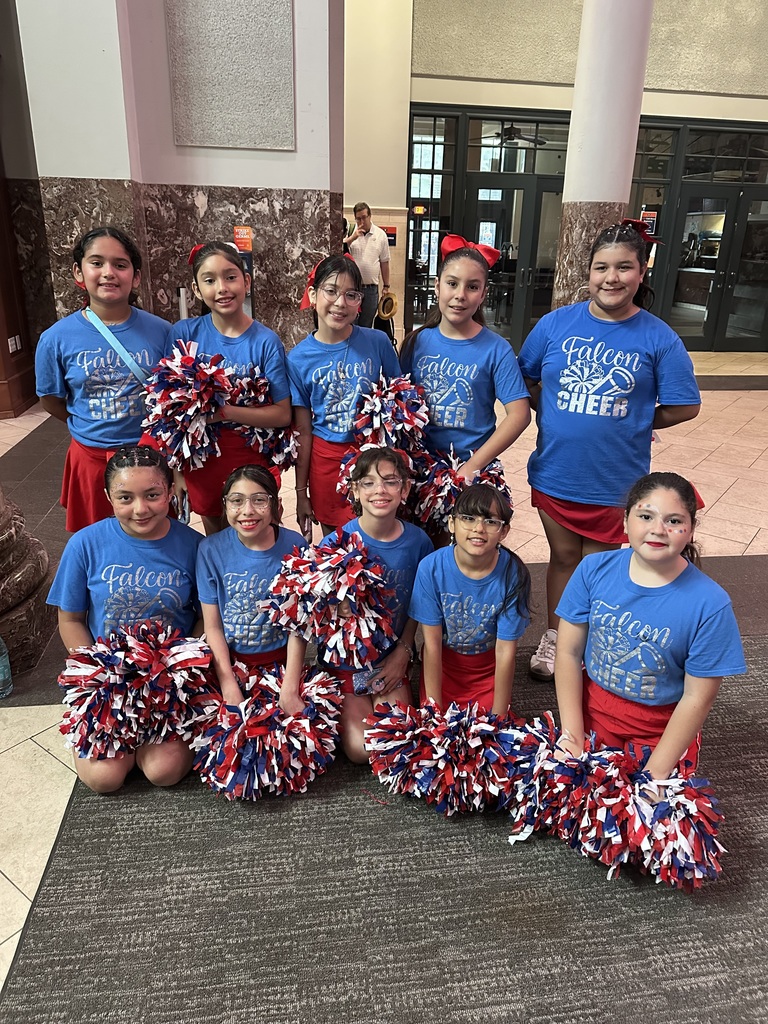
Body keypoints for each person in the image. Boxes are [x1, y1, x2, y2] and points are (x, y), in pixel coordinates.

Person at [517, 220, 701, 683]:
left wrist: (638, 420)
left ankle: (587, 643)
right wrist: (553, 409)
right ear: (589, 271)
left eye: (624, 267)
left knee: (599, 569)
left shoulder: (659, 337)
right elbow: (525, 378)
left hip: (614, 481)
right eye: (601, 267)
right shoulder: (554, 324)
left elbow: (685, 404)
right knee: (563, 559)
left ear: (642, 272)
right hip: (557, 471)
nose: (611, 278)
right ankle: (557, 637)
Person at [554, 472, 746, 778]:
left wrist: (654, 776)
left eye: (674, 521)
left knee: (650, 807)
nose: (658, 530)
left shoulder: (710, 604)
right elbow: (567, 652)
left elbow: (697, 698)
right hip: (593, 714)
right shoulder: (592, 569)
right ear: (625, 521)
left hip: (660, 730)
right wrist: (572, 735)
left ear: (691, 530)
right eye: (646, 516)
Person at [48, 445, 203, 793]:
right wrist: (98, 673)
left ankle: (149, 741)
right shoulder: (84, 544)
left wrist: (181, 664)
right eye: (125, 498)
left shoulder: (194, 545)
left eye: (152, 495)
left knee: (163, 772)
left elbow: (205, 616)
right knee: (104, 780)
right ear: (108, 497)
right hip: (107, 680)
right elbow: (70, 619)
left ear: (170, 492)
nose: (140, 509)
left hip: (169, 682)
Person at [279, 447, 433, 762]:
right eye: (369, 483)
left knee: (396, 737)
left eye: (390, 481)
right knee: (362, 750)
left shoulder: (419, 543)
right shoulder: (333, 544)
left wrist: (403, 652)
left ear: (404, 489)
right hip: (344, 667)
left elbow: (420, 606)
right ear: (355, 490)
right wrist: (290, 686)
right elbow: (303, 617)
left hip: (391, 661)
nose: (380, 490)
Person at [35, 227, 171, 532]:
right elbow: (51, 400)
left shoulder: (162, 331)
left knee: (154, 535)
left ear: (136, 277)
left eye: (120, 265)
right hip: (92, 458)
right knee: (97, 540)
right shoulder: (55, 339)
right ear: (78, 272)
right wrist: (89, 424)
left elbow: (172, 396)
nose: (108, 273)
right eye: (97, 263)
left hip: (150, 456)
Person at [167, 241, 292, 535]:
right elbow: (169, 411)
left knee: (258, 537)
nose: (222, 288)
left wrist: (225, 412)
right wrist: (176, 471)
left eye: (230, 277)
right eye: (210, 280)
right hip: (203, 463)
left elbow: (282, 414)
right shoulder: (184, 334)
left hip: (251, 460)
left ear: (246, 281)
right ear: (197, 289)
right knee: (216, 540)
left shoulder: (266, 341)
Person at [399, 235, 531, 483]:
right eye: (452, 283)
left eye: (472, 287)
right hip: (420, 468)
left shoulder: (497, 349)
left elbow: (520, 414)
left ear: (483, 294)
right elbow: (400, 404)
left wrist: (473, 466)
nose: (460, 295)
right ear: (437, 286)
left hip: (474, 470)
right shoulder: (415, 342)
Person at [288, 254, 401, 536]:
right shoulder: (298, 359)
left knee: (377, 538)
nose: (340, 303)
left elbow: (402, 406)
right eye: (331, 291)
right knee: (337, 545)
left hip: (375, 460)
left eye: (351, 295)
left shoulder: (378, 342)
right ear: (312, 295)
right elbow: (303, 430)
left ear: (359, 302)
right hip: (326, 463)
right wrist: (301, 492)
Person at [408, 483, 531, 716]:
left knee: (488, 731)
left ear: (503, 531)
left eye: (490, 521)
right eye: (468, 518)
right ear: (452, 523)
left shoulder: (514, 574)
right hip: (444, 667)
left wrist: (499, 716)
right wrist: (435, 712)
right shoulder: (430, 568)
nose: (479, 528)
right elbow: (432, 645)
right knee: (440, 727)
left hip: (489, 671)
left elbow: (505, 652)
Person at [196, 465, 306, 706]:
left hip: (283, 664)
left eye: (259, 500)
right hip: (229, 664)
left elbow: (299, 624)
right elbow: (213, 627)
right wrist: (228, 684)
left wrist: (289, 688)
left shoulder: (295, 545)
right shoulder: (210, 550)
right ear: (225, 505)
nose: (247, 511)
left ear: (275, 504)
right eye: (237, 501)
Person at [346, 202, 391, 328]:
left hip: (371, 289)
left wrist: (386, 286)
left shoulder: (380, 235)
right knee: (350, 324)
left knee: (366, 325)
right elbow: (339, 249)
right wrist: (352, 238)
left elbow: (384, 262)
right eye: (358, 218)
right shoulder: (350, 232)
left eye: (364, 217)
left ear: (370, 216)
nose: (362, 222)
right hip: (352, 288)